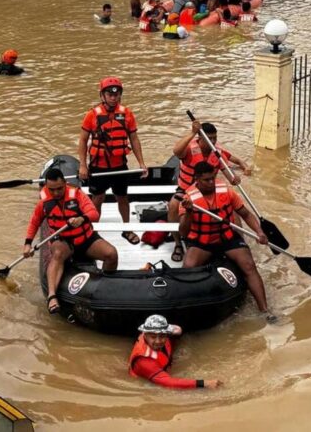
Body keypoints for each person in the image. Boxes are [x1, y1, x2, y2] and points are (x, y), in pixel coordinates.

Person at [178, 162, 274, 319]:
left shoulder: (227, 193)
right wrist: (189, 211)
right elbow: (183, 231)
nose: (211, 183)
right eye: (207, 180)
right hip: (203, 242)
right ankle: (185, 310)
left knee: (249, 265)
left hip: (227, 238)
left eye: (213, 178)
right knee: (188, 268)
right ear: (197, 179)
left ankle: (265, 311)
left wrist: (259, 232)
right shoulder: (188, 198)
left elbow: (246, 214)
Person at [24, 168, 118, 314]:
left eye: (59, 189)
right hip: (62, 240)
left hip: (85, 239)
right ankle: (52, 296)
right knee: (57, 254)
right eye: (52, 190)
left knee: (111, 254)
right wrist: (27, 244)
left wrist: (82, 218)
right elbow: (34, 222)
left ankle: (106, 288)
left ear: (65, 183)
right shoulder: (44, 201)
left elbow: (93, 213)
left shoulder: (77, 194)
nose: (56, 193)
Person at [78, 77, 148, 245]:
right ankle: (92, 232)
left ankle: (127, 229)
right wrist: (83, 165)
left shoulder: (127, 114)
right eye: (109, 94)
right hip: (99, 166)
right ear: (103, 95)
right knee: (97, 199)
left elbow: (134, 139)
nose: (113, 97)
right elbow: (82, 141)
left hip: (119, 166)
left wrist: (141, 163)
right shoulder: (91, 115)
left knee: (123, 198)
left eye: (116, 94)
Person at [168, 120, 250, 262]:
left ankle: (239, 241)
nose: (212, 141)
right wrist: (193, 131)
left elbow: (225, 167)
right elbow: (176, 151)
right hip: (187, 188)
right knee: (173, 206)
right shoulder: (189, 149)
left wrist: (234, 178)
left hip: (209, 188)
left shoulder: (216, 151)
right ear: (200, 138)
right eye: (209, 138)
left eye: (214, 138)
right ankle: (178, 244)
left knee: (233, 207)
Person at [128, 314, 222, 389]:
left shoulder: (168, 336)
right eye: (153, 337)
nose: (158, 341)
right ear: (145, 335)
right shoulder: (144, 361)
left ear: (167, 334)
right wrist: (203, 383)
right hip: (149, 382)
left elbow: (177, 330)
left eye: (162, 336)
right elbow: (169, 382)